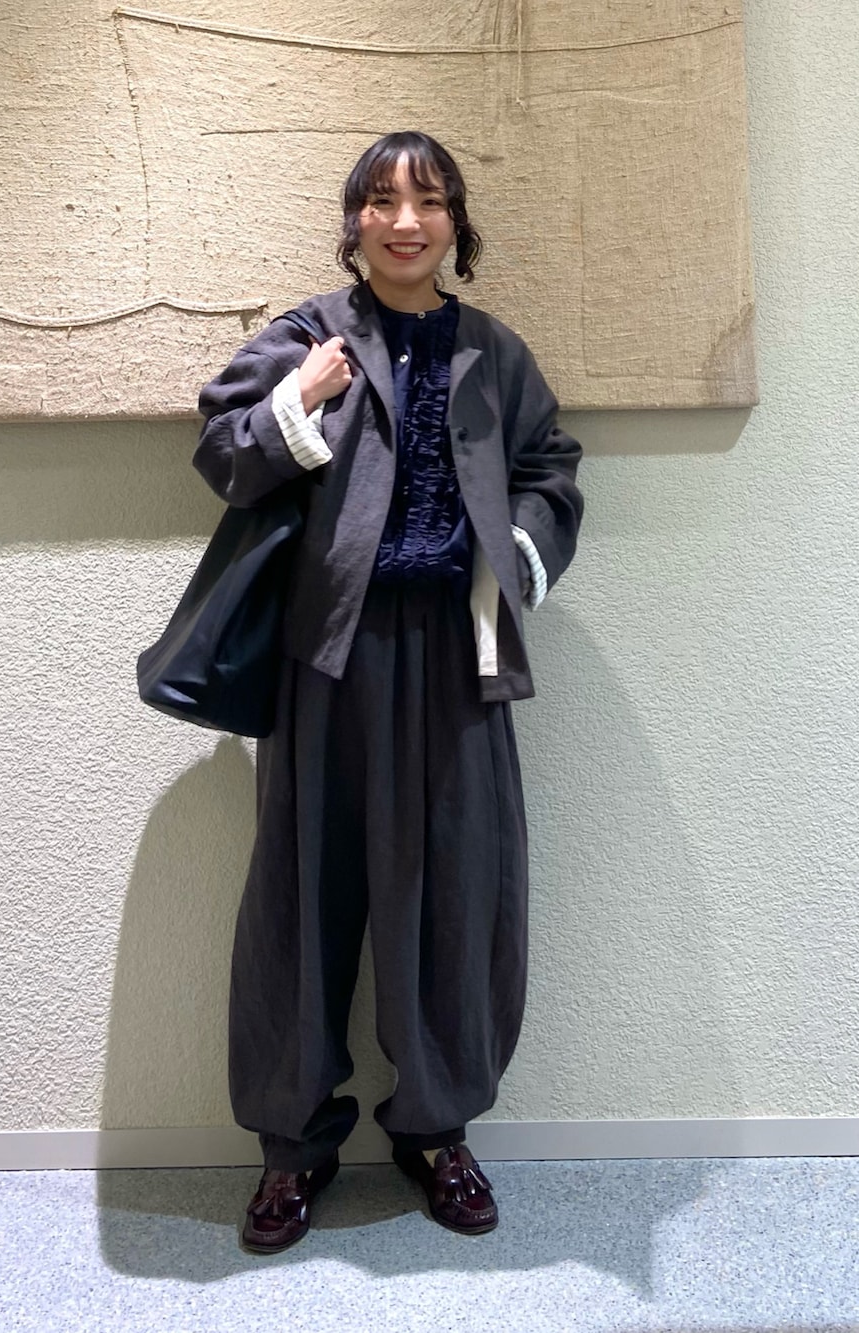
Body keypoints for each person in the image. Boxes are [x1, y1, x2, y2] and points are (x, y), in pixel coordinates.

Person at [193, 130, 583, 1253]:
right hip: (328, 659)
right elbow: (223, 451)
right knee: (304, 894)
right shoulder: (308, 335)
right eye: (381, 200)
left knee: (457, 889)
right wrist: (298, 400)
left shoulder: (494, 353)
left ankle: (436, 1130)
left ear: (457, 223)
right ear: (354, 219)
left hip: (458, 661)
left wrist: (513, 550)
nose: (405, 221)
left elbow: (551, 470)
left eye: (428, 200)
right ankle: (292, 1144)